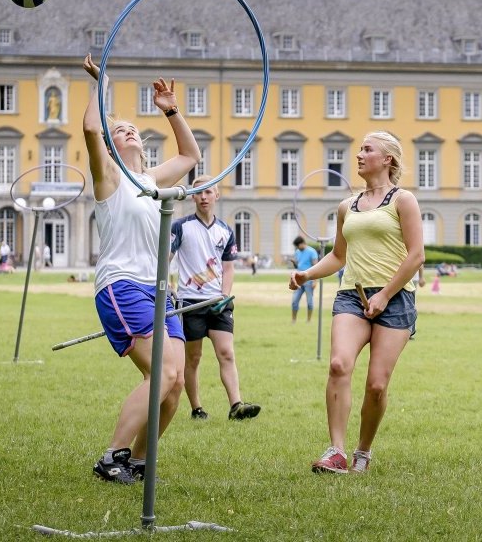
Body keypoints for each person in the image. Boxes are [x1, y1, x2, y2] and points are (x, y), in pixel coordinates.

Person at [82, 52, 201, 484]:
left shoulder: (152, 182)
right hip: (122, 285)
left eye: (134, 128)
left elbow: (190, 154)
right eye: (121, 130)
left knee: (175, 384)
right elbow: (91, 128)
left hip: (160, 292)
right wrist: (102, 85)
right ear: (112, 145)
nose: (129, 131)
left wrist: (171, 110)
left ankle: (137, 460)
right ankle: (110, 456)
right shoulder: (109, 178)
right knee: (164, 373)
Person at [289, 131, 424, 473]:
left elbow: (416, 256)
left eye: (367, 149)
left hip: (395, 300)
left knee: (377, 384)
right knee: (338, 364)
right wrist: (307, 275)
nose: (359, 155)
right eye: (360, 149)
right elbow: (338, 256)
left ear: (387, 159)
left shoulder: (403, 200)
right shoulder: (346, 206)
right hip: (352, 295)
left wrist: (384, 294)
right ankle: (336, 451)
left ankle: (363, 452)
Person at [169, 177, 260, 423]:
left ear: (217, 195)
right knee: (194, 357)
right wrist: (168, 286)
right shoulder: (180, 227)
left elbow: (228, 269)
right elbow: (165, 259)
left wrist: (224, 292)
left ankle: (236, 405)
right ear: (193, 197)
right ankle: (197, 408)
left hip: (218, 303)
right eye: (199, 192)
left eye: (209, 192)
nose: (204, 197)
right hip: (190, 303)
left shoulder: (225, 231)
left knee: (226, 353)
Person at [291, 236, 317, 323]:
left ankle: (308, 321)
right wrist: (294, 263)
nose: (297, 248)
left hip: (309, 281)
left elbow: (315, 267)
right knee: (294, 301)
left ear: (302, 243)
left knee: (309, 302)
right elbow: (298, 266)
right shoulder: (298, 252)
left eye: (298, 246)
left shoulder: (312, 252)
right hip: (299, 280)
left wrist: (315, 281)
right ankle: (293, 320)